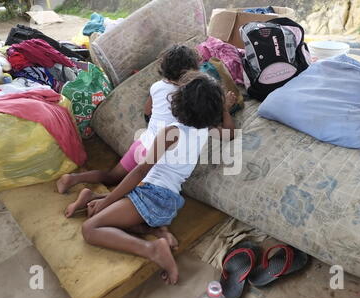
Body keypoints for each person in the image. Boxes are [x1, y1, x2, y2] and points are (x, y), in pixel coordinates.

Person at [65, 72, 236, 284]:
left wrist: (108, 201)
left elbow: (140, 171)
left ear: (178, 101)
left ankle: (152, 249)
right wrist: (225, 109)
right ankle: (154, 229)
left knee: (90, 228)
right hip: (163, 198)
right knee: (100, 211)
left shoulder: (171, 133)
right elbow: (230, 133)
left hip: (153, 195)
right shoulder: (205, 129)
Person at [56, 44, 201, 194]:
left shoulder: (157, 86)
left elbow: (147, 110)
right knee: (138, 190)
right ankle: (97, 199)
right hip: (158, 153)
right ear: (191, 71)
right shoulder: (189, 95)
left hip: (142, 143)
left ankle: (73, 179)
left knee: (112, 176)